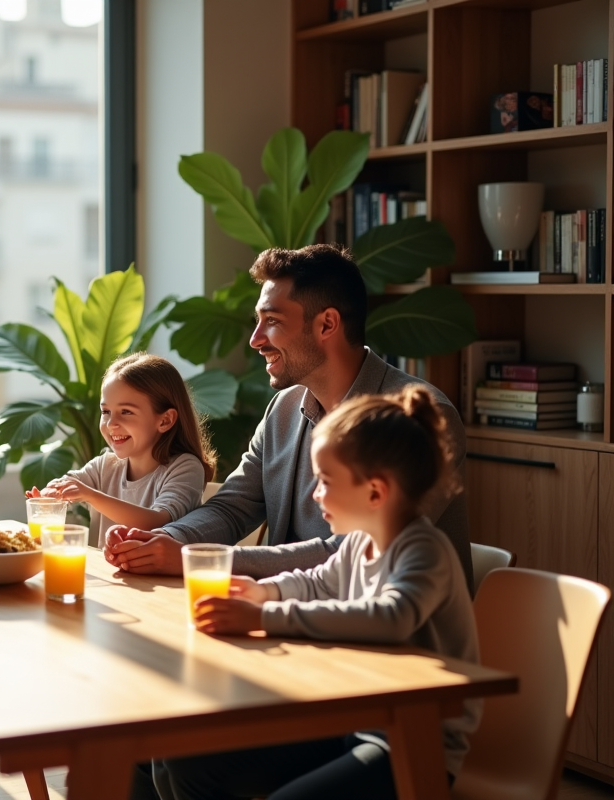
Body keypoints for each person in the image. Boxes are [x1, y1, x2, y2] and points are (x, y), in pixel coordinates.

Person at [142, 385, 479, 800]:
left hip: (409, 741)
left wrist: (265, 618)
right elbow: (318, 581)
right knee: (181, 758)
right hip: (350, 718)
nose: (315, 495)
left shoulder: (422, 549)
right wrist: (260, 593)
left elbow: (393, 616)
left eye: (325, 482)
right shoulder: (360, 541)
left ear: (375, 492)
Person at [104, 245, 474, 591]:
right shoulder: (283, 408)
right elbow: (234, 506)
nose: (255, 339)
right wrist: (168, 539)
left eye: (272, 322)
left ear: (327, 325)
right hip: (285, 619)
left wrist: (201, 560)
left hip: (395, 644)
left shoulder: (419, 420)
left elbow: (353, 555)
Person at [27, 352, 215, 542]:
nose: (111, 424)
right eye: (106, 411)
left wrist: (91, 495)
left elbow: (157, 522)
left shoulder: (185, 468)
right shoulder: (104, 466)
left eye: (126, 412)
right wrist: (50, 495)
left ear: (165, 420)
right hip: (104, 571)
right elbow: (71, 483)